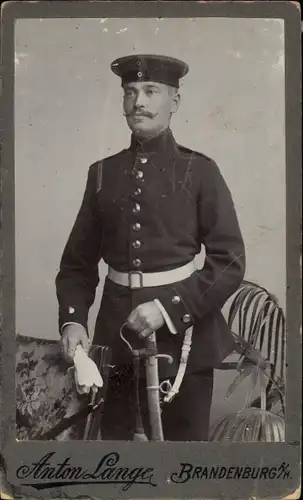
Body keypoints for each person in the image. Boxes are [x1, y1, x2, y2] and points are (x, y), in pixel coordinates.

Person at [56, 54, 246, 441]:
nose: (138, 101)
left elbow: (230, 261)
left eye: (150, 91)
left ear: (173, 102)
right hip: (116, 337)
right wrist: (73, 320)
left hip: (182, 341)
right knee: (118, 460)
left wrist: (167, 309)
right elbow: (77, 263)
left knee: (179, 462)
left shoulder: (201, 172)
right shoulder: (102, 174)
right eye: (130, 92)